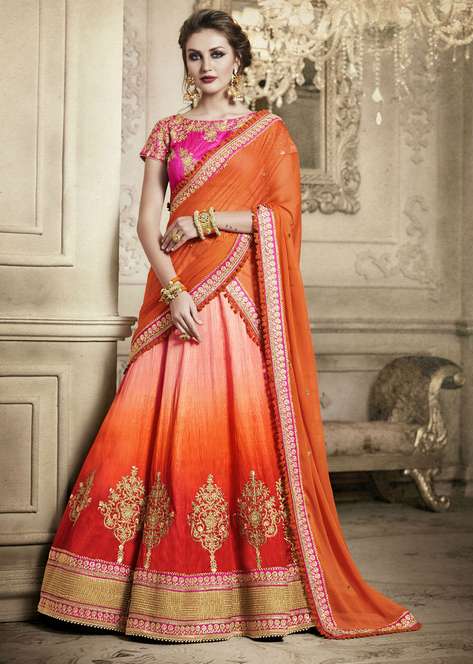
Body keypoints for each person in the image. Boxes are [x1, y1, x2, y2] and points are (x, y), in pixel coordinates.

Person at [37, 8, 422, 644]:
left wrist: (207, 219)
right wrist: (174, 291)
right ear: (185, 63)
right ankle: (113, 593)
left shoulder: (266, 132)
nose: (206, 66)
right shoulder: (168, 131)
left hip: (237, 299)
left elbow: (282, 220)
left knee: (237, 436)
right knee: (138, 435)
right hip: (179, 296)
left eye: (217, 54)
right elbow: (146, 224)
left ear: (237, 60)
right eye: (195, 55)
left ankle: (259, 599)